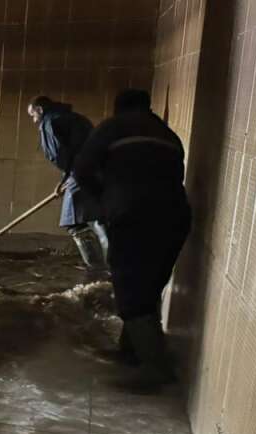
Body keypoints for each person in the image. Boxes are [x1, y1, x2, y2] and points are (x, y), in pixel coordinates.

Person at [74, 89, 192, 393]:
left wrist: (103, 202)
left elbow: (82, 169)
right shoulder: (167, 134)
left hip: (134, 216)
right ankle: (132, 352)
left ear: (118, 108)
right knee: (148, 286)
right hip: (176, 218)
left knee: (130, 288)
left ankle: (155, 369)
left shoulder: (113, 127)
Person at [27, 96, 108, 277]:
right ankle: (112, 266)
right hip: (99, 171)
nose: (34, 120)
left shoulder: (49, 123)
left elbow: (60, 155)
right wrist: (64, 181)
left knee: (73, 222)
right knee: (98, 217)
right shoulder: (77, 118)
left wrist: (68, 179)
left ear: (40, 110)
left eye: (33, 115)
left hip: (81, 173)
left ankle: (98, 270)